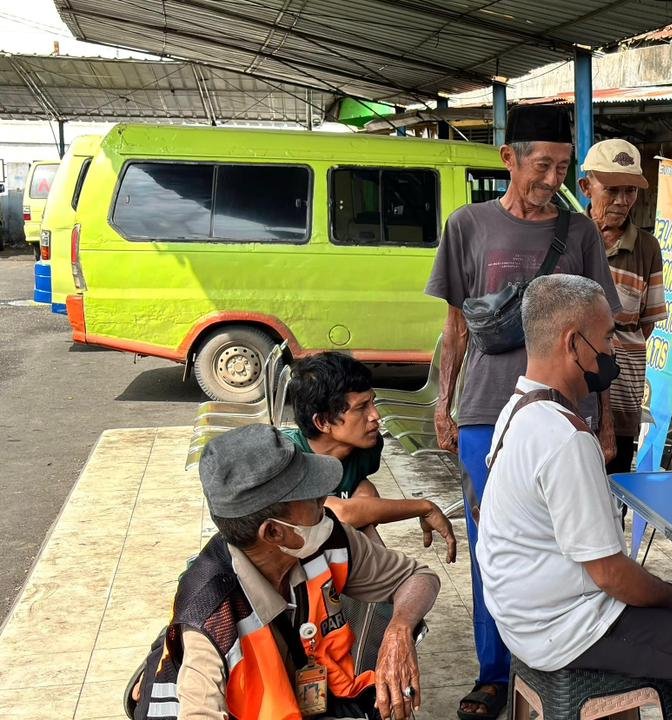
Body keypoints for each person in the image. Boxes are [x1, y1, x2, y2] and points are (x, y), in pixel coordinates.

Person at [477, 274, 672, 719]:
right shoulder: (563, 438)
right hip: (566, 627)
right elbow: (611, 575)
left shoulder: (517, 407)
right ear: (574, 343)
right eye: (609, 337)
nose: (614, 350)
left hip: (522, 617)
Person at [425, 106, 621, 720]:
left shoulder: (580, 233)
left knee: (575, 543)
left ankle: (559, 659)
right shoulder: (468, 225)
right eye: (543, 165)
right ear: (509, 159)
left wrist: (604, 416)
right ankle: (493, 673)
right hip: (486, 410)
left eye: (564, 167)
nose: (553, 178)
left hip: (567, 415)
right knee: (494, 545)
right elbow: (455, 327)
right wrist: (444, 400)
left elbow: (603, 333)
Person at [129, 424, 442, 720]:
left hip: (308, 700)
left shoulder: (324, 539)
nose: (324, 499)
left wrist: (398, 630)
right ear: (275, 533)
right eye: (311, 494)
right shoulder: (210, 621)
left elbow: (418, 577)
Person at [283, 351, 457, 560]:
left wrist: (366, 501)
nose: (376, 416)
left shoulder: (366, 449)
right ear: (322, 422)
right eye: (361, 408)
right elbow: (341, 514)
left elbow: (364, 498)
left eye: (372, 403)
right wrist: (424, 507)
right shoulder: (288, 456)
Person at [578, 138, 667, 474]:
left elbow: (646, 323)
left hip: (622, 393)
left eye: (630, 190)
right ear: (586, 187)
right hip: (573, 393)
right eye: (611, 189)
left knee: (614, 497)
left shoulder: (647, 247)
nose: (622, 200)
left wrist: (614, 345)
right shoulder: (569, 235)